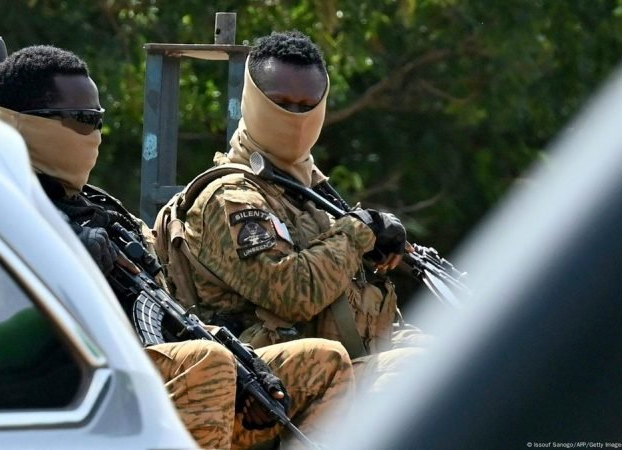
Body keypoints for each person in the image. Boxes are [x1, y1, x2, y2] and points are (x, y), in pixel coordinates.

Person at [0, 44, 354, 450]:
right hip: (62, 383)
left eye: (98, 120)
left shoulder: (102, 211)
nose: (95, 134)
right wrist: (62, 258)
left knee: (323, 362)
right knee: (207, 363)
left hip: (143, 372)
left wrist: (247, 368)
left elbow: (166, 312)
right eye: (82, 120)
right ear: (29, 123)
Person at [156, 30, 426, 394]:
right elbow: (295, 294)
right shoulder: (230, 197)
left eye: (306, 106)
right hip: (260, 385)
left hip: (336, 369)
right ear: (253, 101)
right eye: (281, 103)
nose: (295, 118)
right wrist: (358, 231)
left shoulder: (310, 193)